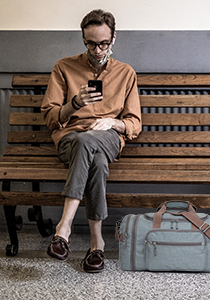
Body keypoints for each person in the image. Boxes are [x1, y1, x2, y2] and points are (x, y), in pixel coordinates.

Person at [41, 9, 141, 273]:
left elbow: (134, 123)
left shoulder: (125, 73)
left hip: (108, 136)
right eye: (91, 44)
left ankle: (64, 228)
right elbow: (51, 118)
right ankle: (97, 242)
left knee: (92, 142)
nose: (98, 50)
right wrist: (74, 103)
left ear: (114, 38)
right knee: (93, 156)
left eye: (104, 43)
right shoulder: (64, 67)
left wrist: (112, 122)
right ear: (83, 39)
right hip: (71, 139)